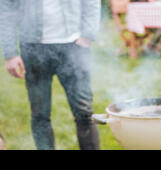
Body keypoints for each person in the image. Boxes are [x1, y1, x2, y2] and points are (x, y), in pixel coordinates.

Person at [0, 0, 101, 150]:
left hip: (74, 45)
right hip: (33, 47)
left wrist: (88, 34)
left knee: (84, 113)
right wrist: (10, 53)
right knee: (40, 115)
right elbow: (5, 9)